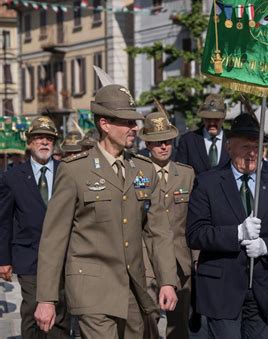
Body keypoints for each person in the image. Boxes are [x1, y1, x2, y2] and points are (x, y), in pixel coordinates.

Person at [33, 84, 178, 338]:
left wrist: (167, 280)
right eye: (127, 122)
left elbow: (159, 231)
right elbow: (54, 238)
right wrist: (46, 298)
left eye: (135, 121)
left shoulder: (143, 170)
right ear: (105, 124)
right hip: (92, 289)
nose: (134, 127)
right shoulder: (75, 170)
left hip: (134, 288)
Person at [186, 113, 268, 339]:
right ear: (229, 147)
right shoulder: (208, 183)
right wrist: (236, 233)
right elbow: (195, 234)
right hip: (222, 288)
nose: (252, 153)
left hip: (264, 287)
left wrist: (267, 246)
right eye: (245, 146)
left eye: (257, 147)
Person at [0, 116, 70, 338]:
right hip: (29, 255)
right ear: (29, 143)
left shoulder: (67, 172)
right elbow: (4, 220)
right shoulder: (12, 177)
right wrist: (4, 259)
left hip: (63, 256)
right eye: (39, 138)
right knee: (33, 310)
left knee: (60, 312)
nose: (44, 143)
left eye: (49, 139)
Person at [139, 111, 197, 339]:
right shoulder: (137, 173)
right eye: (157, 142)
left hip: (179, 259)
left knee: (178, 324)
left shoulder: (186, 174)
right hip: (147, 259)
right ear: (147, 143)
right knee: (149, 317)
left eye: (167, 141)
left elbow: (193, 219)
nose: (163, 146)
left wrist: (196, 256)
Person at [175, 94, 230, 174]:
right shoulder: (188, 141)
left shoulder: (232, 140)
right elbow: (180, 174)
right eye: (208, 119)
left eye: (216, 119)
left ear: (223, 118)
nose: (212, 123)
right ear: (203, 118)